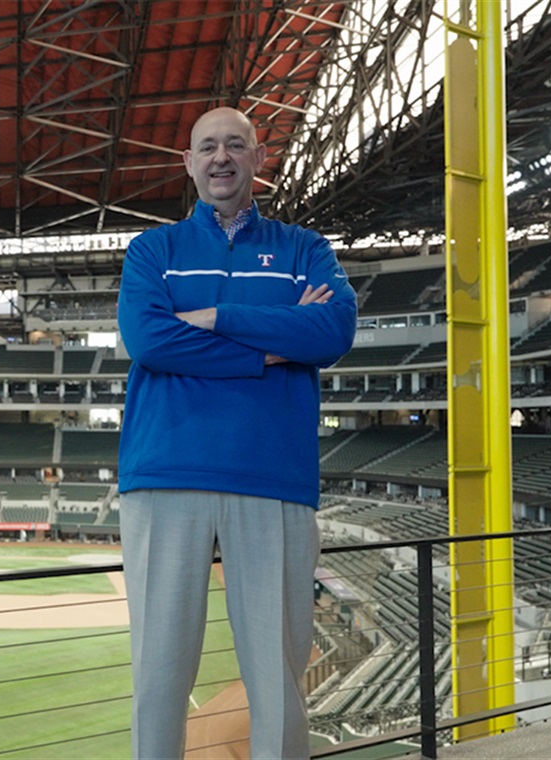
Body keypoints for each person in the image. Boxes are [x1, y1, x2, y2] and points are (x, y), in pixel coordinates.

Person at [116, 106, 357, 759]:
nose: (221, 158)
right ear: (189, 163)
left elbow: (331, 331)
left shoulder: (306, 249)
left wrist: (214, 316)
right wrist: (269, 349)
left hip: (273, 478)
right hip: (165, 475)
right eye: (207, 147)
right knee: (159, 677)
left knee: (278, 680)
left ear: (258, 158)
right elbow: (149, 340)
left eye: (235, 145)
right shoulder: (152, 251)